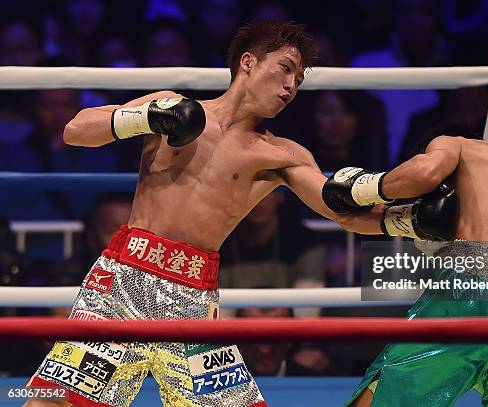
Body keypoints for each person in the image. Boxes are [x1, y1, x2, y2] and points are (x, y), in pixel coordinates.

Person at [25, 22, 457, 407]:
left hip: (195, 297)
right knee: (55, 402)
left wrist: (405, 220)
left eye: (300, 79)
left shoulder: (280, 153)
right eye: (286, 68)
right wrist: (146, 117)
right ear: (248, 62)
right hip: (123, 280)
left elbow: (337, 206)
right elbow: (75, 130)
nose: (292, 86)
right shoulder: (170, 104)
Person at [345, 134, 488, 407]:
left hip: (468, 289)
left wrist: (362, 188)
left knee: (390, 392)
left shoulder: (453, 144)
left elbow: (424, 172)